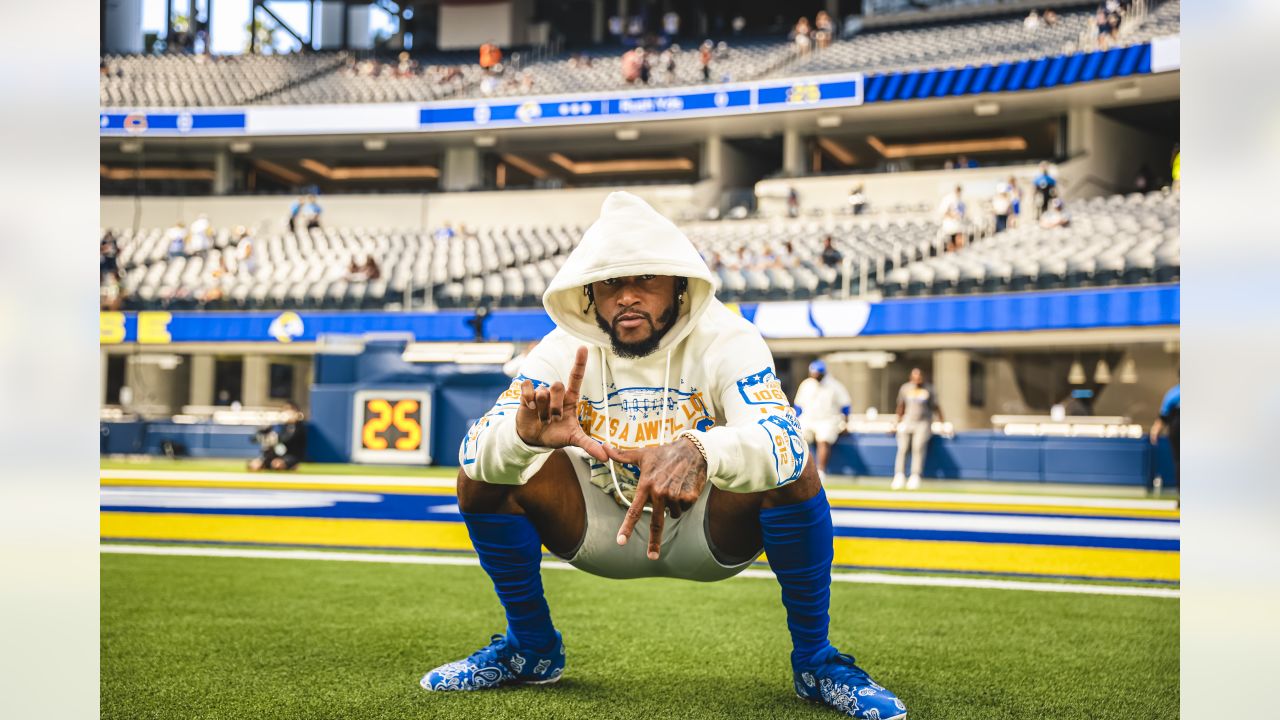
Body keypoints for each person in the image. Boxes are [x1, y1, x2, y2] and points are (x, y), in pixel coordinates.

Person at [419, 192, 906, 719]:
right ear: (589, 294)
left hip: (707, 529)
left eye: (645, 280)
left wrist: (700, 447)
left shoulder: (727, 336)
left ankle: (815, 662)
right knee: (484, 474)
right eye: (611, 283)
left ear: (679, 284)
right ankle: (532, 649)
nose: (627, 297)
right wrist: (522, 439)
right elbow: (475, 453)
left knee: (795, 472)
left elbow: (785, 443)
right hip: (601, 528)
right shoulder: (563, 347)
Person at [793, 360, 851, 483]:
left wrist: (845, 423)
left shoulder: (834, 385)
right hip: (808, 418)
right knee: (798, 437)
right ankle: (801, 470)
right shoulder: (806, 384)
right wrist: (796, 420)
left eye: (817, 373)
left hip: (828, 419)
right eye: (813, 373)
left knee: (823, 438)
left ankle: (821, 471)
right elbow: (798, 406)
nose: (815, 375)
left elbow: (845, 406)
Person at [893, 368, 942, 491]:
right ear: (910, 377)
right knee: (903, 448)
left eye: (919, 376)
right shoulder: (905, 388)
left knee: (918, 447)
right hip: (908, 421)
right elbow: (901, 407)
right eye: (915, 376)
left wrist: (942, 422)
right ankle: (899, 475)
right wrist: (896, 423)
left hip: (923, 422)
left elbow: (936, 406)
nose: (917, 379)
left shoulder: (929, 389)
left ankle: (915, 475)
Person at [248, 401, 307, 472]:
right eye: (285, 410)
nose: (287, 413)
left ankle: (290, 465)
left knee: (277, 464)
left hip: (290, 456)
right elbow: (253, 438)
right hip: (273, 455)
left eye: (290, 410)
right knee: (255, 465)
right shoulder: (277, 425)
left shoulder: (298, 426)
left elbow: (287, 439)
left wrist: (275, 438)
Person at [1150, 382, 1180, 485]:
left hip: (1177, 430)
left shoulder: (1173, 393)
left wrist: (1155, 431)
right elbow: (1163, 416)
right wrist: (1155, 430)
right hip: (1177, 431)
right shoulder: (1174, 393)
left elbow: (1163, 416)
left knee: (1179, 461)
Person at [937, 185, 967, 251]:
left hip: (958, 226)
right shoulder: (948, 199)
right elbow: (942, 212)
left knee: (960, 245)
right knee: (951, 246)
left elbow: (962, 212)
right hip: (950, 227)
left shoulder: (960, 200)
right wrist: (952, 216)